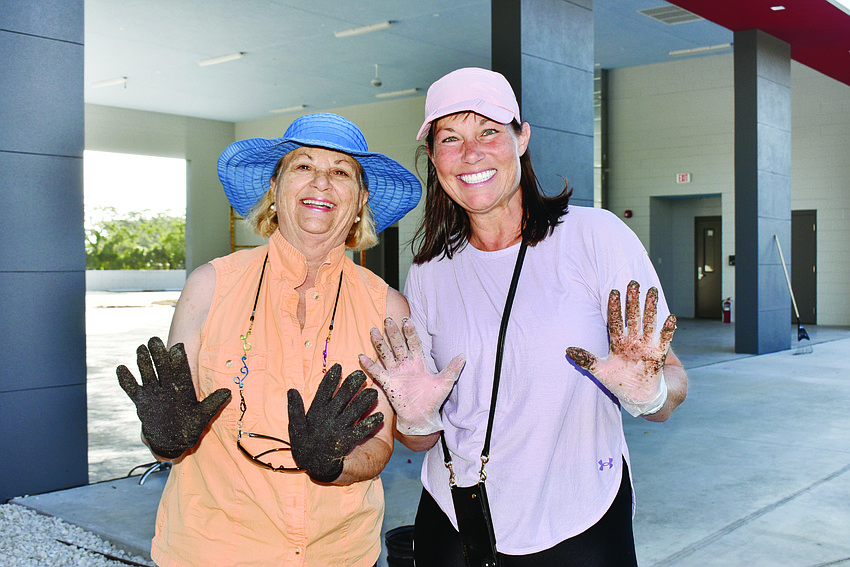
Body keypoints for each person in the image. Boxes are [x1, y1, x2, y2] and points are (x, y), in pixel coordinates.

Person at [360, 68, 688, 566]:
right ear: (433, 157)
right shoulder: (428, 271)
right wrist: (414, 416)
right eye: (450, 138)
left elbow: (669, 385)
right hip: (456, 517)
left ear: (522, 136)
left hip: (582, 516)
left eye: (489, 131)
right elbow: (420, 437)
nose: (471, 154)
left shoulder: (596, 238)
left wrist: (651, 392)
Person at [116, 112, 421, 567]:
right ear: (275, 190)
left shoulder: (388, 308)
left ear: (360, 202)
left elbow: (378, 447)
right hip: (212, 551)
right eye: (303, 166)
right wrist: (164, 439)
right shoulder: (209, 285)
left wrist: (334, 465)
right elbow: (176, 424)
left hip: (337, 555)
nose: (321, 181)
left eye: (341, 172)